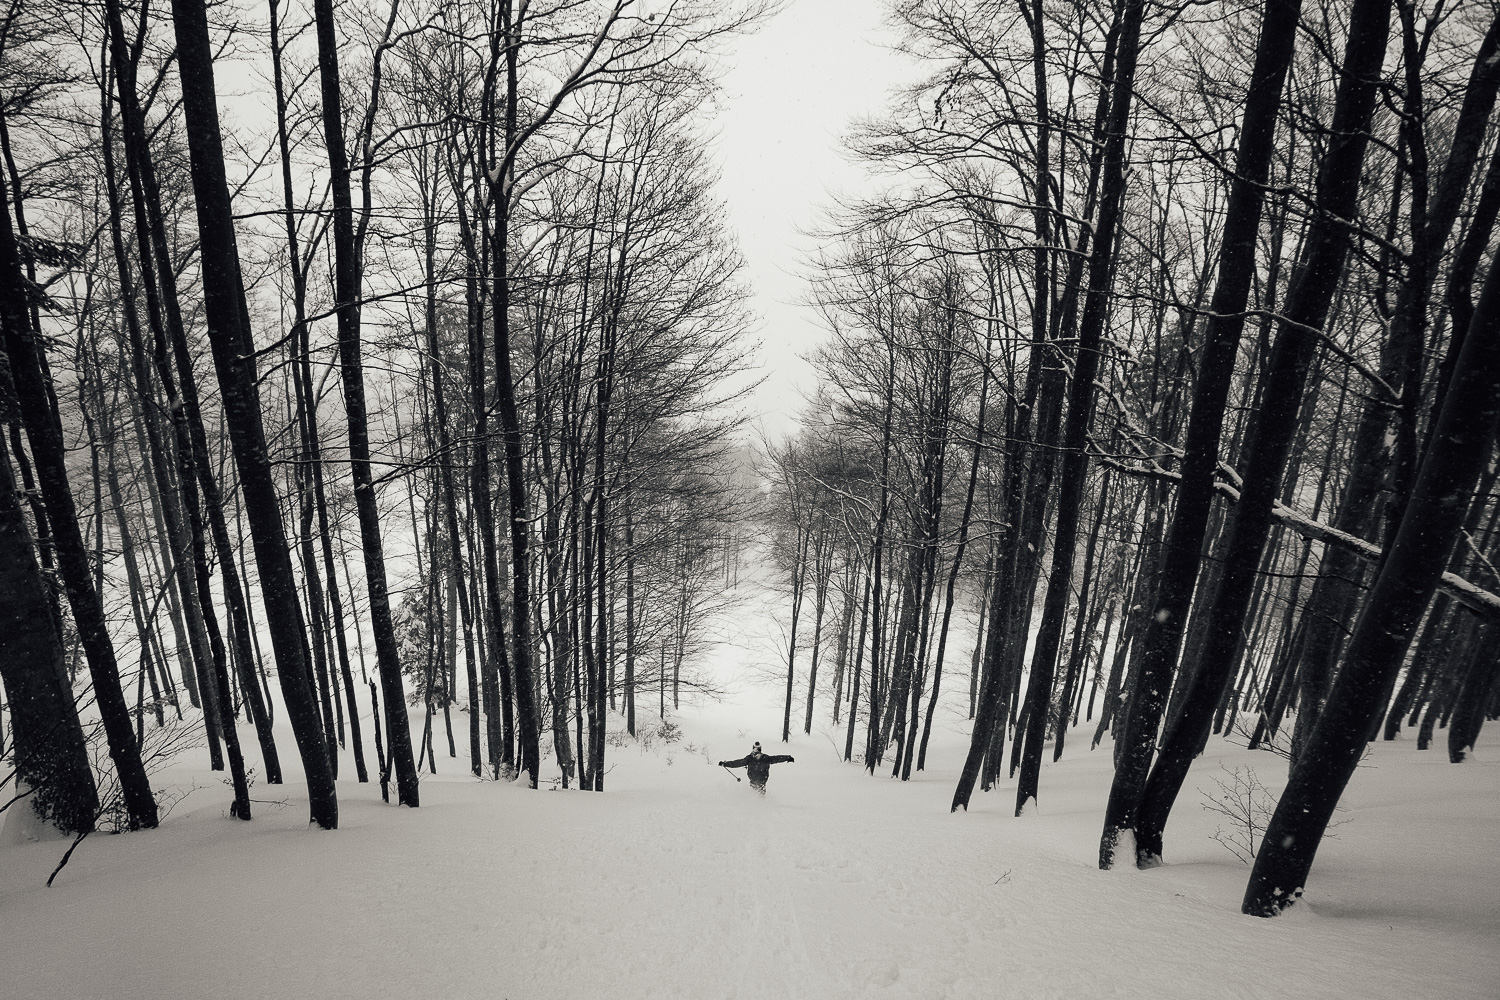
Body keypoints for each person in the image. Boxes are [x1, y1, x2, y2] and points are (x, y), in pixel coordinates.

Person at [718, 742, 794, 795]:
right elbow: (738, 763)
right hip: (759, 780)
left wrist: (787, 758)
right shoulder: (762, 758)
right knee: (758, 793)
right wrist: (787, 758)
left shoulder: (760, 758)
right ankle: (757, 806)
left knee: (757, 793)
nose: (756, 754)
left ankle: (758, 806)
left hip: (757, 780)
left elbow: (738, 762)